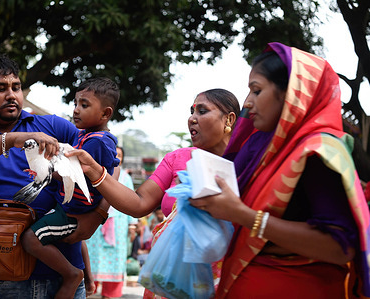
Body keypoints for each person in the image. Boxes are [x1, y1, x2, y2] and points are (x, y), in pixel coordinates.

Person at [189, 42, 370, 298]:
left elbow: (340, 246)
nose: (247, 103)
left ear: (292, 94)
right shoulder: (262, 149)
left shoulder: (317, 151)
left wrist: (243, 215)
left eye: (257, 90)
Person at [0, 52, 108, 298]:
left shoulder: (53, 127)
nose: (11, 95)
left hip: (63, 277)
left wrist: (98, 215)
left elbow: (106, 160)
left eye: (16, 87)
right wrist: (11, 140)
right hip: (3, 282)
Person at [66, 88, 241, 297]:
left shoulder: (249, 165)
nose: (192, 119)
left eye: (202, 111)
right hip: (169, 279)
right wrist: (95, 171)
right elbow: (139, 203)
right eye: (192, 111)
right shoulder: (178, 159)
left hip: (228, 281)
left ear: (229, 119)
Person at [20, 77, 120, 299]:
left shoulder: (98, 142)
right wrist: (44, 172)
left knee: (30, 239)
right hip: (67, 204)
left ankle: (72, 275)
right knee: (76, 241)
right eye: (75, 103)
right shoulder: (85, 136)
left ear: (105, 114)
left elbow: (98, 175)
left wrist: (49, 172)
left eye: (84, 105)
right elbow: (73, 171)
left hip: (73, 211)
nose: (76, 110)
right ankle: (83, 274)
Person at [86, 146, 136, 299]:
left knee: (116, 260)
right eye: (114, 154)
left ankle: (111, 295)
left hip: (118, 224)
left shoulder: (126, 178)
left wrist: (132, 225)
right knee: (92, 258)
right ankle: (89, 290)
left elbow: (133, 200)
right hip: (95, 223)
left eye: (120, 155)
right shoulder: (93, 171)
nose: (117, 158)